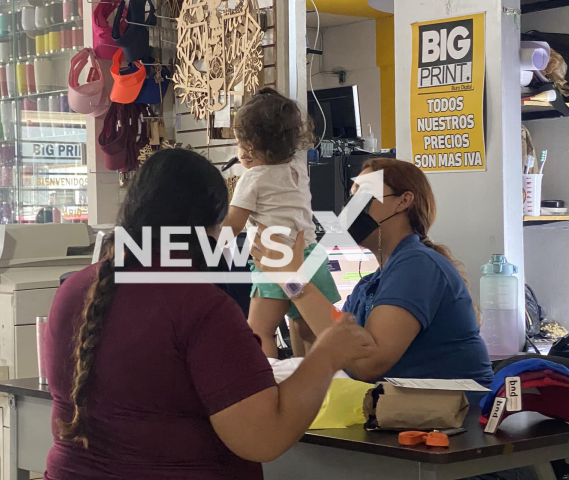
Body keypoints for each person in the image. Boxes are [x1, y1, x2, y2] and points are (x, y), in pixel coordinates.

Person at [44, 149, 375, 480]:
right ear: (213, 226)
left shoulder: (73, 289)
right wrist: (327, 355)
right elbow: (262, 438)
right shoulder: (198, 306)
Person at [250, 157, 494, 403]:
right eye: (351, 197)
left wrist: (296, 282)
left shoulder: (418, 265)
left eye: (364, 195)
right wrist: (292, 297)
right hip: (404, 415)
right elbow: (332, 349)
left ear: (403, 201)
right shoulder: (369, 284)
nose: (352, 207)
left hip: (455, 422)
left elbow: (368, 363)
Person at [223, 88, 340, 358]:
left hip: (275, 259)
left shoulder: (252, 179)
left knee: (259, 331)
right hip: (310, 256)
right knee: (307, 329)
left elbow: (233, 226)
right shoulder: (298, 168)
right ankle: (312, 380)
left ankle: (268, 385)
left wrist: (207, 240)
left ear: (250, 149)